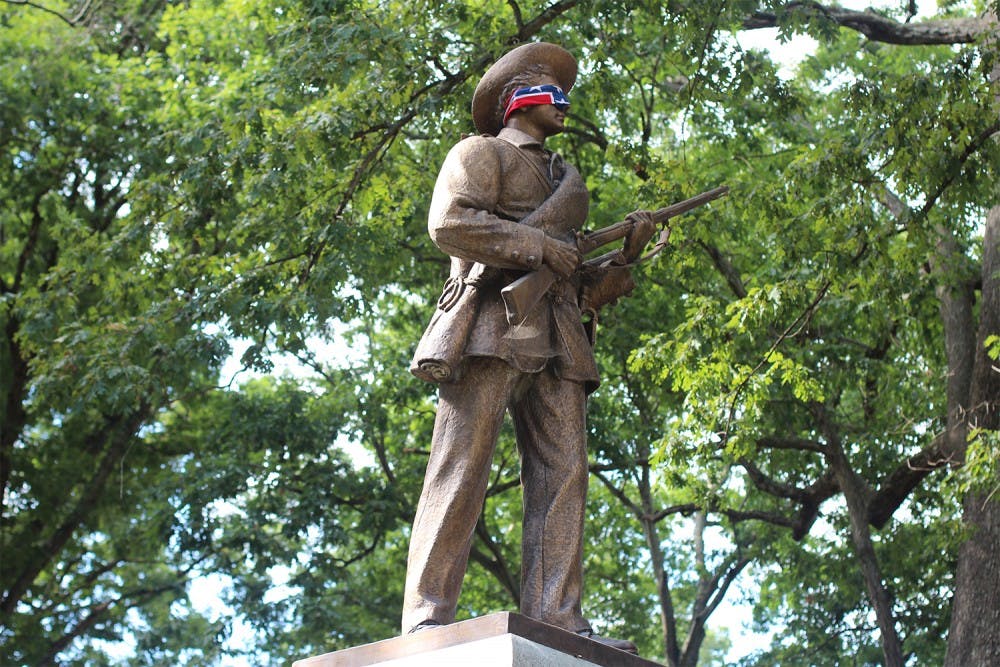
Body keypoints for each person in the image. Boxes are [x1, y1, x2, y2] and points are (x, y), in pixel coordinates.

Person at [403, 42, 654, 655]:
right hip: (490, 326)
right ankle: (427, 615)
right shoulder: (480, 154)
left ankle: (559, 618)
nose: (566, 102)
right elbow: (450, 223)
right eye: (553, 89)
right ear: (521, 96)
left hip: (559, 338)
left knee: (565, 478)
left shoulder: (565, 179)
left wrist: (627, 256)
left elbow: (579, 283)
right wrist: (537, 245)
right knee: (462, 466)